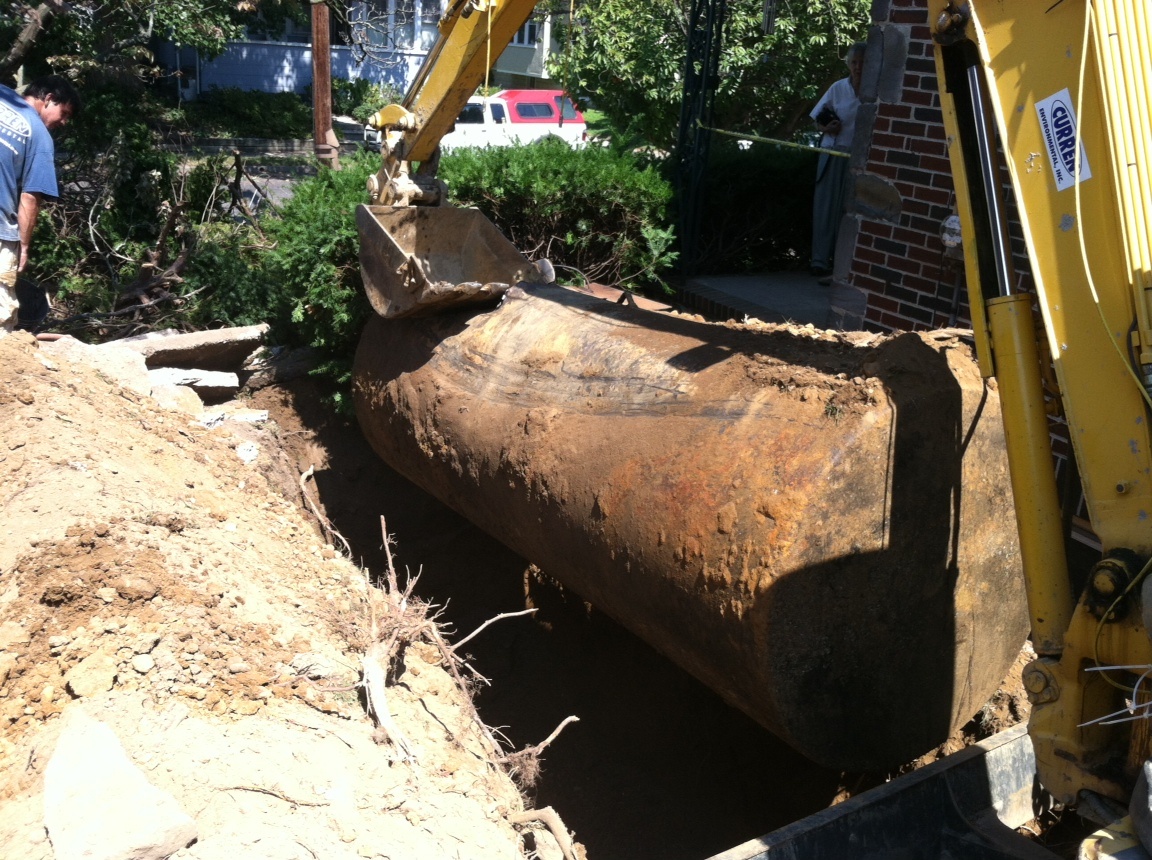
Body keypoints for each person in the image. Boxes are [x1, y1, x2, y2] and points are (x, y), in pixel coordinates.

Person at [0, 75, 81, 337]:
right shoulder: (39, 136)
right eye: (64, 113)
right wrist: (23, 246)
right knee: (3, 313)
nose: (64, 122)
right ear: (49, 99)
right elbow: (30, 197)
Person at [808, 43, 865, 280]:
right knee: (825, 210)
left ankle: (844, 268)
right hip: (833, 153)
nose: (858, 68)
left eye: (863, 63)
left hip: (860, 159)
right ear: (848, 64)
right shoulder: (838, 88)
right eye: (854, 62)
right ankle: (819, 262)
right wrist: (826, 127)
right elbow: (815, 119)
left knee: (851, 213)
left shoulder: (877, 90)